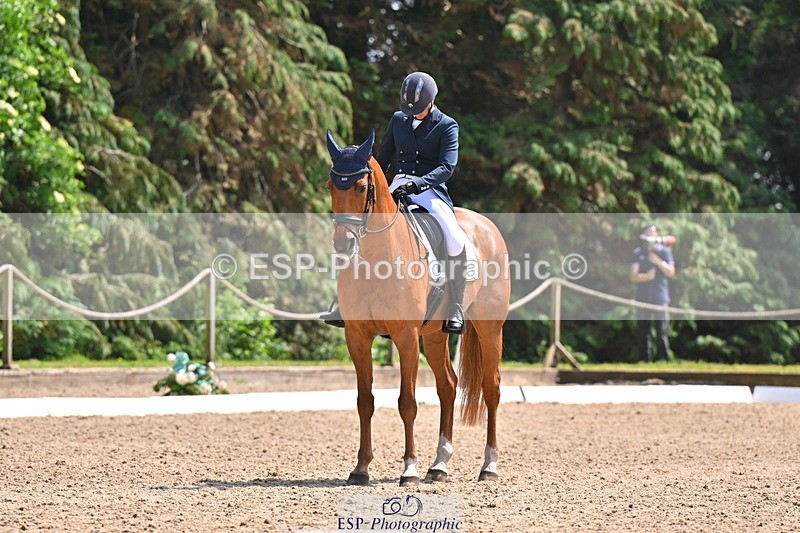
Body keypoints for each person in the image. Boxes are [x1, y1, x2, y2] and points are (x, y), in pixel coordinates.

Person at [322, 71, 469, 334]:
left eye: (420, 110)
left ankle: (455, 305)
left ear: (432, 102)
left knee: (455, 238)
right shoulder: (399, 120)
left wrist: (418, 183)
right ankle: (345, 302)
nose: (415, 115)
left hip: (430, 190)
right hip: (396, 186)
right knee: (359, 227)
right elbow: (384, 156)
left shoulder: (447, 125)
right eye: (410, 111)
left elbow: (447, 166)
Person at [630, 224, 676, 362]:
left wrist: (658, 261)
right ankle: (644, 359)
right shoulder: (638, 253)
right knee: (644, 331)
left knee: (661, 330)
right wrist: (646, 277)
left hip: (660, 297)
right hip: (643, 297)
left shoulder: (664, 252)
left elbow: (671, 272)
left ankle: (662, 358)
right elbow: (633, 276)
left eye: (653, 234)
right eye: (648, 234)